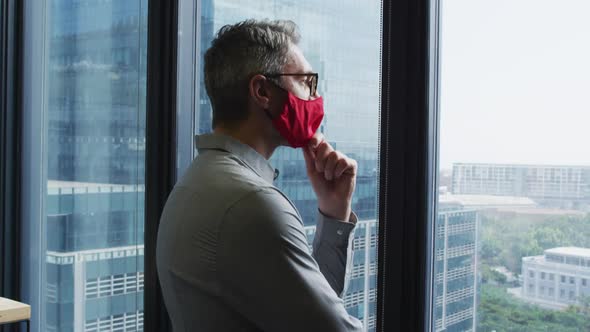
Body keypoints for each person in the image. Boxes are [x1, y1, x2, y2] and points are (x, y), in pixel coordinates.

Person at [156, 19, 364, 332]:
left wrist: (334, 211)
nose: (314, 98)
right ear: (262, 90)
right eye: (306, 82)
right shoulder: (250, 203)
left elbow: (309, 308)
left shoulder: (199, 181)